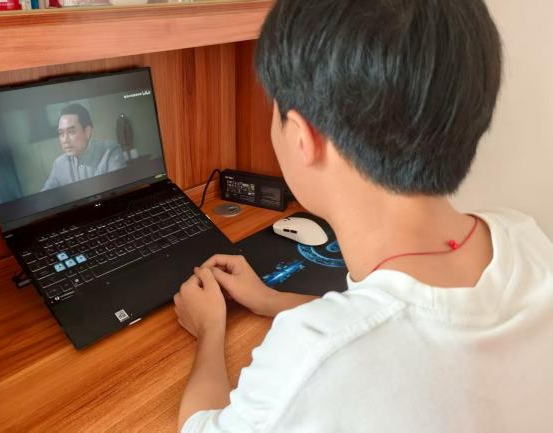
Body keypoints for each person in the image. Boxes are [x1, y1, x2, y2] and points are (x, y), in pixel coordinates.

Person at [174, 1, 553, 432]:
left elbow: (200, 426)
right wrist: (271, 300)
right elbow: (401, 325)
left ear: (301, 137)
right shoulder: (527, 240)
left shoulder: (309, 358)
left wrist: (210, 328)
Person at [42, 103, 126, 191]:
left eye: (71, 132)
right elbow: (45, 194)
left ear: (87, 132)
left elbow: (121, 191)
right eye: (61, 133)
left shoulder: (110, 152)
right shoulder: (59, 164)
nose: (65, 140)